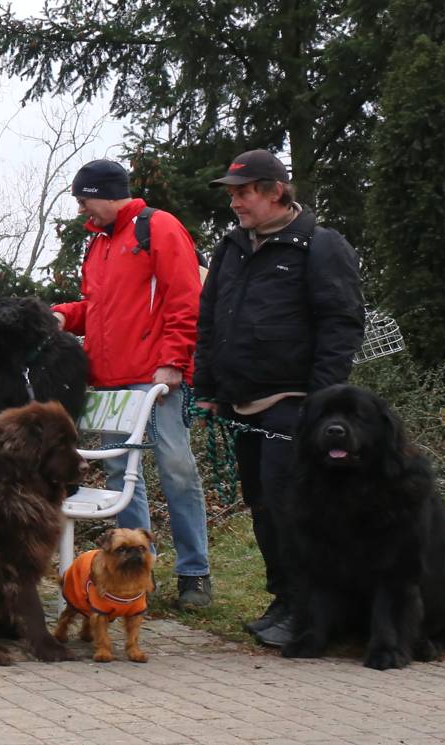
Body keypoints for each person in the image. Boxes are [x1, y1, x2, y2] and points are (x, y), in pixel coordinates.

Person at [194, 149, 364, 647]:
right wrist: (207, 389)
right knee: (263, 504)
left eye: (243, 193)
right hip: (241, 400)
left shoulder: (320, 245)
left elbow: (341, 324)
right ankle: (285, 599)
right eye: (231, 194)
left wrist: (322, 402)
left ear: (275, 191)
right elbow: (210, 320)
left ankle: (310, 610)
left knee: (292, 506)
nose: (235, 203)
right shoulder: (231, 247)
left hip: (295, 402)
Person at [50, 159, 212, 609]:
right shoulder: (98, 244)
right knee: (122, 478)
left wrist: (174, 362)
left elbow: (185, 298)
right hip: (110, 385)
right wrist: (63, 315)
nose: (81, 209)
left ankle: (194, 573)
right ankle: (138, 575)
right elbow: (98, 308)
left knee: (176, 469)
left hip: (155, 378)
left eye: (83, 199)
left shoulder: (158, 228)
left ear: (104, 193)